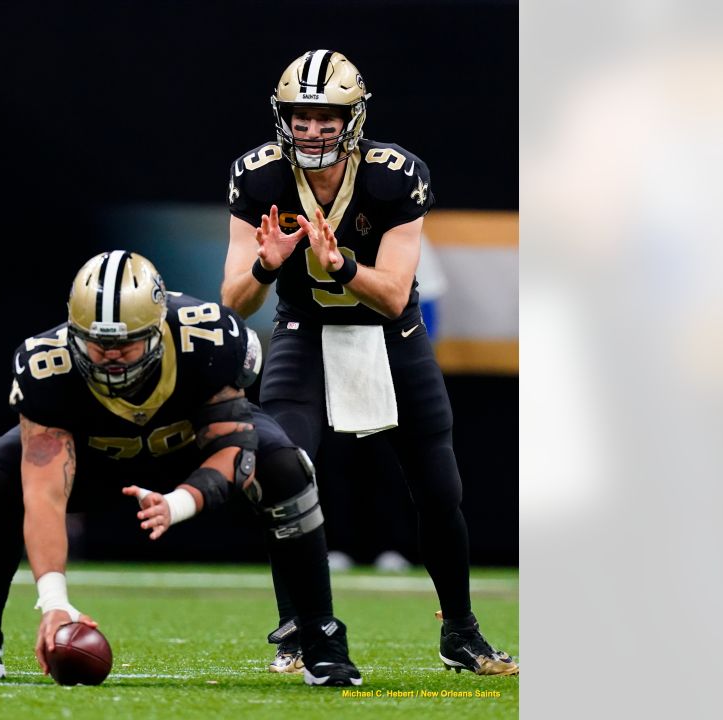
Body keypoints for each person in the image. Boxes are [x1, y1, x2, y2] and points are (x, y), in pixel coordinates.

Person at [0, 250, 362, 687]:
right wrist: (53, 601)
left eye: (125, 343)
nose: (110, 356)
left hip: (193, 452)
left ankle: (322, 637)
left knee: (284, 466)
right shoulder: (46, 364)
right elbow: (43, 494)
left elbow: (236, 452)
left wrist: (178, 503)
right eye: (97, 342)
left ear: (157, 329)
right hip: (96, 463)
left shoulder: (205, 339)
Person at [221, 50, 518, 676]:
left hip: (391, 334)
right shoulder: (259, 176)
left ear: (353, 118)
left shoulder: (394, 175)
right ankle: (298, 629)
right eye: (301, 116)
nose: (311, 129)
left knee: (440, 491)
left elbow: (391, 292)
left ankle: (460, 632)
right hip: (304, 329)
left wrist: (343, 267)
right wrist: (266, 266)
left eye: (327, 116)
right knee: (283, 474)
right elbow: (233, 301)